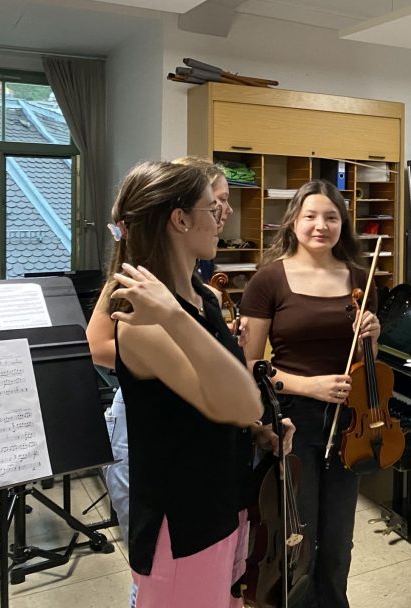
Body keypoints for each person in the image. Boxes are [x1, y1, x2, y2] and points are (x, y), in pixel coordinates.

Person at [103, 161, 265, 607]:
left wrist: (259, 431)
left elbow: (228, 400)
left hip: (224, 498)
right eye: (212, 208)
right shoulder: (141, 321)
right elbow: (241, 402)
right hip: (183, 521)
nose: (221, 218)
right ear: (180, 219)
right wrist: (175, 317)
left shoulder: (203, 296)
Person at [239, 180, 383, 608]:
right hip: (290, 420)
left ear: (343, 224)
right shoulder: (269, 279)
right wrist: (309, 385)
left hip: (349, 423)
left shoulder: (360, 278)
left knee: (339, 539)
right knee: (295, 536)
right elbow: (249, 365)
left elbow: (366, 363)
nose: (321, 225)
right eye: (311, 216)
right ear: (293, 222)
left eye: (331, 217)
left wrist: (372, 337)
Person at [87, 157, 235, 561]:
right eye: (217, 201)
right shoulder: (137, 277)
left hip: (189, 432)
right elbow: (97, 344)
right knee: (156, 553)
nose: (225, 211)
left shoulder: (197, 276)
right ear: (180, 215)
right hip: (141, 419)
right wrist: (172, 361)